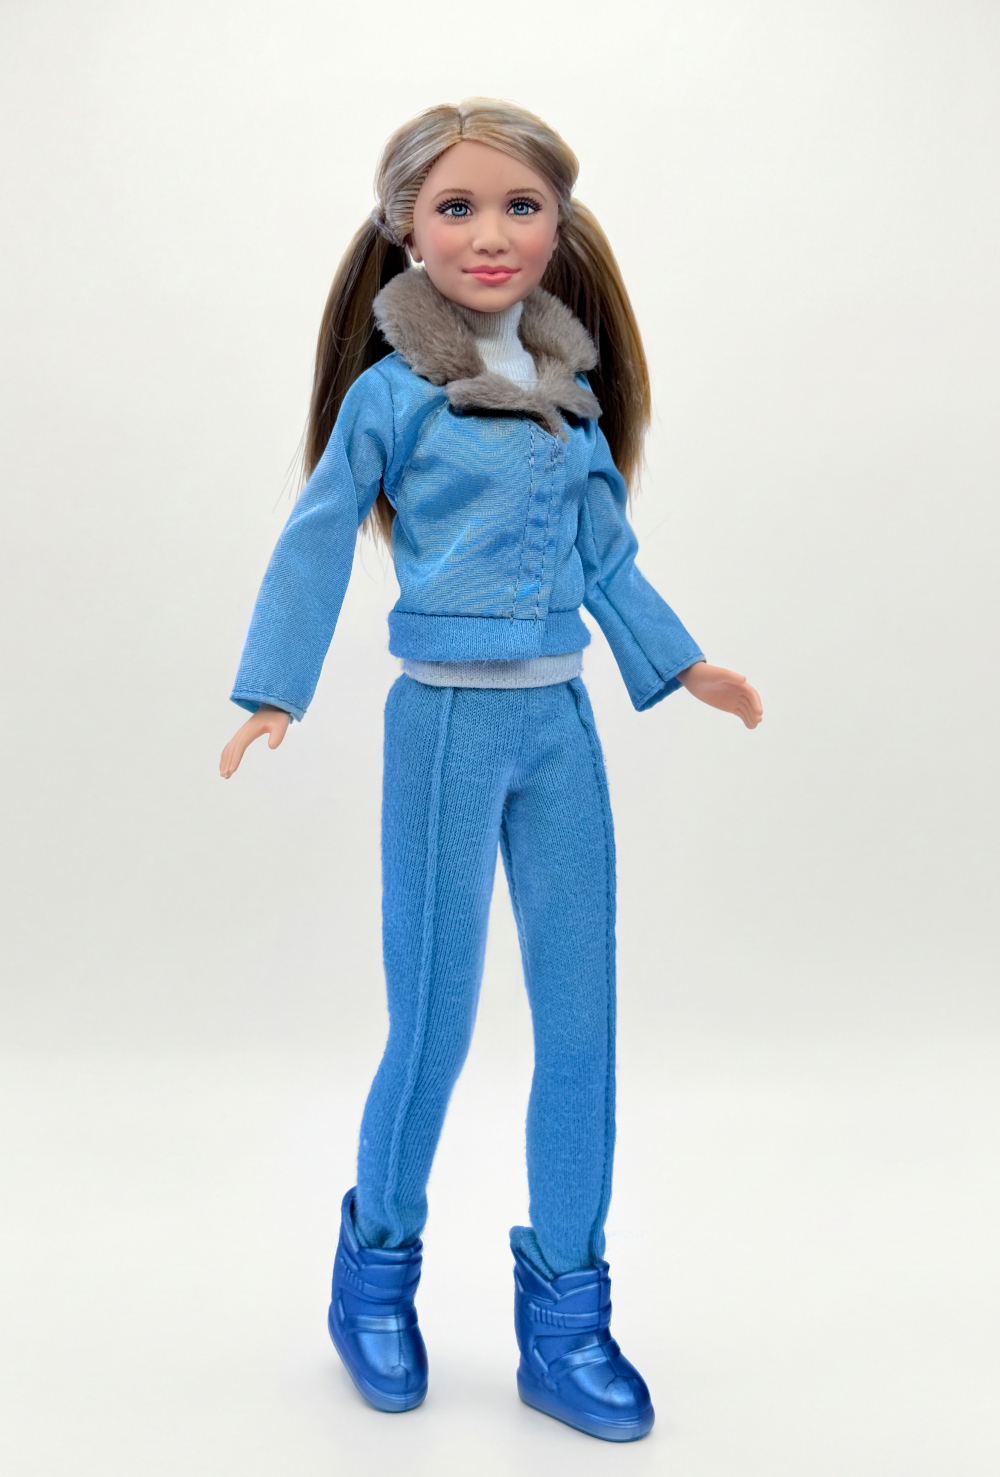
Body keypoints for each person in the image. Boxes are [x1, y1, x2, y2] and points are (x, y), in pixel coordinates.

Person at [219, 98, 762, 1442]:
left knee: (582, 1026)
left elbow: (606, 558)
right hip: (448, 729)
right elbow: (319, 531)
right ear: (405, 228)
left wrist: (682, 663)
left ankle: (566, 1318)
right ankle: (375, 1277)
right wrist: (274, 686)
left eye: (521, 206)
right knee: (435, 1021)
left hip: (561, 728)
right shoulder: (394, 393)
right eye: (456, 207)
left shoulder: (571, 395)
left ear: (559, 226)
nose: (490, 232)